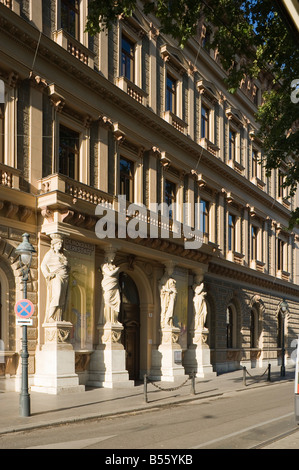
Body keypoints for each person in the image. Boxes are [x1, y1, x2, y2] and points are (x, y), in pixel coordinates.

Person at [41, 234, 70, 322]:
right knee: (56, 295)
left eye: (61, 244)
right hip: (56, 276)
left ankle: (59, 318)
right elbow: (43, 265)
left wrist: (66, 265)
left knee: (62, 298)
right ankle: (50, 317)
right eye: (58, 244)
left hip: (64, 276)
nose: (60, 246)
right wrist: (48, 274)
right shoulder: (49, 254)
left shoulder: (63, 255)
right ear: (53, 245)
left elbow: (68, 267)